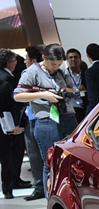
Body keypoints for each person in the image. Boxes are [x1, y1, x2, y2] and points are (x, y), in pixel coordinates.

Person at [14, 44, 79, 199]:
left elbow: (73, 89)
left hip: (67, 116)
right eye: (53, 64)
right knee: (50, 161)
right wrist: (43, 95)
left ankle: (70, 196)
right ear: (44, 57)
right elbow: (17, 95)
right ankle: (51, 198)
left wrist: (64, 91)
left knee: (73, 159)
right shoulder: (32, 72)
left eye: (59, 64)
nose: (55, 67)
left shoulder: (62, 70)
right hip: (46, 120)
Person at [0, 49, 26, 199]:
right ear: (9, 63)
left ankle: (8, 185)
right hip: (8, 120)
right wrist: (17, 123)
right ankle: (10, 185)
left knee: (6, 155)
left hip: (3, 120)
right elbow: (12, 103)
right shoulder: (8, 79)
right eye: (14, 61)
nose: (16, 63)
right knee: (11, 154)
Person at [20, 46, 45, 200]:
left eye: (26, 58)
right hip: (44, 117)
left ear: (33, 60)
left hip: (34, 117)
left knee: (35, 154)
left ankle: (40, 186)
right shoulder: (50, 74)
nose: (25, 61)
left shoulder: (28, 74)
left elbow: (19, 95)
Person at [65, 49, 87, 121]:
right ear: (67, 60)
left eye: (75, 57)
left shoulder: (86, 73)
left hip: (84, 107)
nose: (73, 59)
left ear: (80, 59)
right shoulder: (64, 74)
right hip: (71, 109)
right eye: (70, 57)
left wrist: (85, 88)